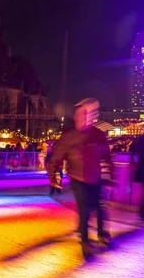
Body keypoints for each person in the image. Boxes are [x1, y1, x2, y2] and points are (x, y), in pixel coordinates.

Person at [48, 98, 114, 260]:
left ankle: (101, 232)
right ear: (76, 115)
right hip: (77, 177)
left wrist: (111, 174)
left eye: (90, 114)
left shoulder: (97, 134)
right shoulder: (68, 136)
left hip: (95, 176)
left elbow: (106, 156)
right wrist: (53, 177)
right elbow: (56, 158)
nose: (87, 117)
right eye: (83, 113)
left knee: (99, 205)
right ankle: (85, 240)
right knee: (84, 208)